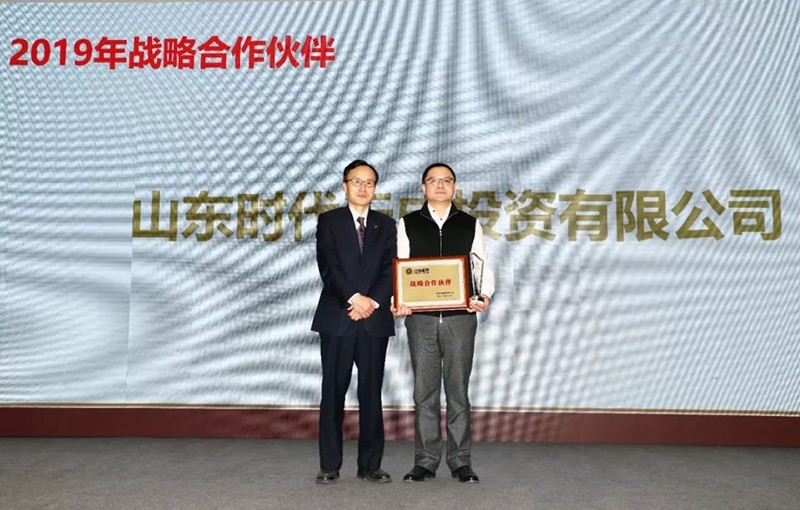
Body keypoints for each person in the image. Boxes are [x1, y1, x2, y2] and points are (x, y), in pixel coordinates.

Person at [391, 163, 495, 484]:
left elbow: (481, 264)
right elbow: (402, 265)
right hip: (420, 319)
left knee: (458, 392)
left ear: (454, 186)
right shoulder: (408, 223)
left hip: (460, 318)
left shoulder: (469, 223)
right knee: (424, 393)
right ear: (423, 187)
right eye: (433, 180)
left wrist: (484, 294)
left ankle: (461, 461)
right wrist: (398, 298)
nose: (440, 185)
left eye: (446, 180)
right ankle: (425, 461)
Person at [311, 160, 397, 484]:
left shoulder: (386, 225)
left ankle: (370, 465)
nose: (363, 187)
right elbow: (328, 267)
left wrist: (371, 302)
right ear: (345, 185)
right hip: (338, 317)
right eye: (356, 181)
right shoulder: (329, 221)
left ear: (375, 188)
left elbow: (391, 269)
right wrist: (354, 298)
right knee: (333, 391)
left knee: (371, 393)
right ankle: (329, 465)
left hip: (374, 319)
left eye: (369, 182)